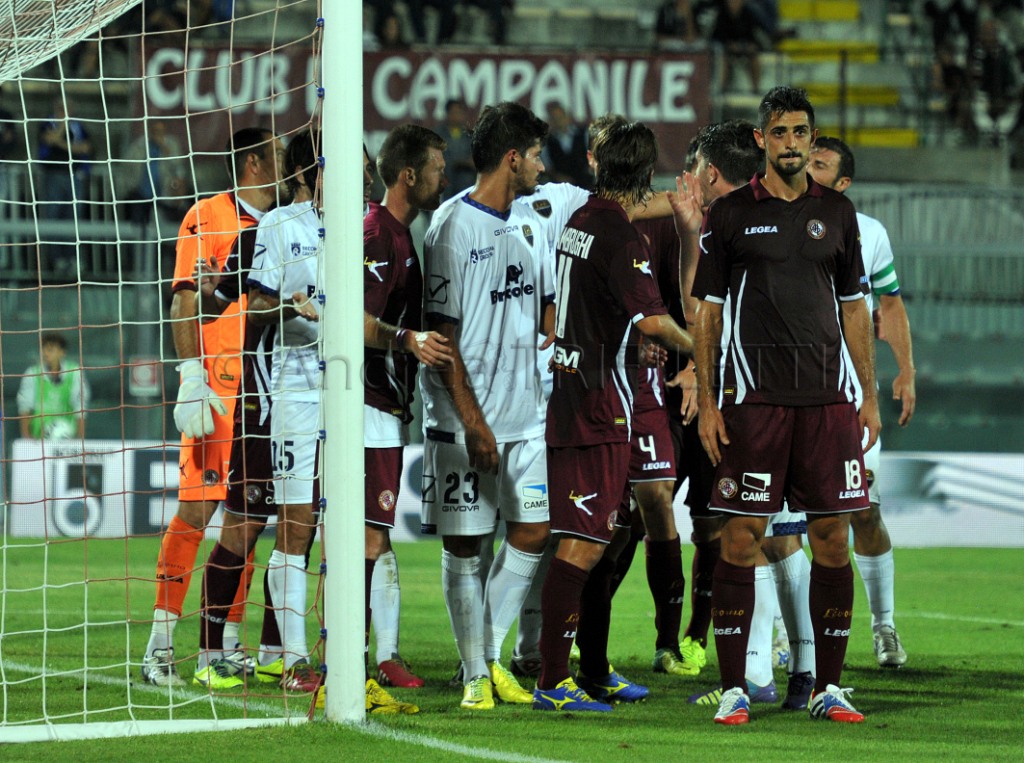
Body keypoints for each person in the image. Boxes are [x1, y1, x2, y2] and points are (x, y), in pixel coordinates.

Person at [691, 86, 880, 725]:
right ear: (761, 140)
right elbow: (707, 311)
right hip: (756, 402)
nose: (792, 143)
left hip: (828, 402)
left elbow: (854, 309)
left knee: (831, 538)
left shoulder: (840, 213)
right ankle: (735, 688)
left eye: (801, 132)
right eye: (780, 132)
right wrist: (710, 399)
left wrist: (869, 395)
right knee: (740, 537)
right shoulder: (731, 214)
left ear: (812, 138)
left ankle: (828, 688)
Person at [534, 120, 694, 712]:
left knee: (602, 539)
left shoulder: (582, 220)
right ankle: (553, 681)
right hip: (596, 407)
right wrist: (704, 350)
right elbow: (653, 320)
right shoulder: (621, 237)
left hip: (584, 395)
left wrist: (632, 344)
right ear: (647, 172)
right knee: (581, 545)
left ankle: (595, 670)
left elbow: (599, 314)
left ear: (599, 164)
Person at [419, 101, 553, 711]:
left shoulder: (529, 221)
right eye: (535, 156)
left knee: (533, 530)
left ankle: (488, 655)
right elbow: (442, 340)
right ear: (512, 158)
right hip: (464, 423)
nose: (542, 167)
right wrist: (473, 424)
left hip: (526, 418)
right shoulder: (451, 228)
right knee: (465, 547)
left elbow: (540, 307)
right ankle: (475, 674)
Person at [140, 126, 284, 688]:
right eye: (277, 155)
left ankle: (223, 645)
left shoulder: (282, 224)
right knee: (197, 513)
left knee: (248, 519)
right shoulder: (208, 216)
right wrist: (191, 376)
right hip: (218, 393)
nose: (288, 165)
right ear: (253, 164)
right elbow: (183, 297)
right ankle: (159, 648)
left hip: (263, 392)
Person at [802, 134, 916, 668]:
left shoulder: (868, 232)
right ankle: (787, 637)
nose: (809, 167)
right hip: (785, 392)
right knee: (784, 523)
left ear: (843, 182)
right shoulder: (771, 219)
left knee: (863, 512)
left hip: (849, 395)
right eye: (808, 159)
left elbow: (889, 303)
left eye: (821, 164)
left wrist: (906, 371)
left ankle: (884, 625)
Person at [363, 124, 453, 693]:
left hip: (386, 407)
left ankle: (383, 655)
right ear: (408, 175)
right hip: (367, 406)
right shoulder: (378, 235)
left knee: (376, 534)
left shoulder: (402, 234)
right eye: (437, 168)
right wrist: (407, 339)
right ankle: (357, 660)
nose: (445, 177)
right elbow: (352, 320)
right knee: (368, 537)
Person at [244, 128, 326, 696]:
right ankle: (294, 660)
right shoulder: (277, 224)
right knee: (295, 524)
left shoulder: (356, 225)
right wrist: (290, 309)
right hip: (294, 390)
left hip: (348, 391)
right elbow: (255, 306)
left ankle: (310, 651)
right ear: (304, 173)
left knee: (330, 526)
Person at [17, 332, 90, 440]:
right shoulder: (32, 373)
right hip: (38, 439)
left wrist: (79, 440)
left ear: (62, 352)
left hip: (68, 439)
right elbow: (25, 408)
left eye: (50, 350)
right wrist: (27, 440)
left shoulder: (75, 373)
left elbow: (80, 408)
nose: (46, 353)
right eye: (44, 349)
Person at [542, 104, 591, 189]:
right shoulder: (547, 142)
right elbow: (548, 167)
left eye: (560, 117)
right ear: (550, 121)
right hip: (561, 187)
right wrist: (557, 177)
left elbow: (593, 156)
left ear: (568, 117)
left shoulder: (584, 134)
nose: (558, 121)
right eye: (554, 118)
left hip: (585, 184)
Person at [436, 100, 475, 199]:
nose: (458, 115)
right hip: (446, 184)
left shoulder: (469, 135)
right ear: (448, 114)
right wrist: (461, 162)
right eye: (455, 112)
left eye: (461, 112)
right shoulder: (438, 134)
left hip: (466, 184)